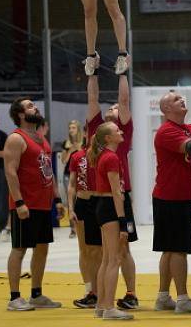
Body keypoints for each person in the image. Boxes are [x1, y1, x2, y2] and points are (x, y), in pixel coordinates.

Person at [151, 92, 191, 314]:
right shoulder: (166, 131)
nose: (182, 99)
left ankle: (162, 297)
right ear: (166, 109)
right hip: (170, 197)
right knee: (178, 250)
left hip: (179, 196)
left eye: (181, 98)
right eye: (176, 99)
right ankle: (183, 299)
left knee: (169, 250)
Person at [85, 68, 140, 309]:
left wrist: (123, 72)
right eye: (112, 108)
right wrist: (92, 72)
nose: (113, 108)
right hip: (106, 198)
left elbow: (124, 100)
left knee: (119, 252)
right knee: (105, 255)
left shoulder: (122, 135)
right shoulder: (100, 133)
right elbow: (92, 98)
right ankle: (101, 300)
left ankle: (129, 293)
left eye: (116, 109)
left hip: (116, 197)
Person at [2, 97, 63, 311]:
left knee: (42, 248)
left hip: (44, 204)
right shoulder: (15, 139)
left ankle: (36, 294)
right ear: (20, 114)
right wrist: (19, 202)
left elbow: (49, 171)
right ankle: (14, 297)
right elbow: (10, 172)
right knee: (19, 249)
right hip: (25, 204)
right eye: (29, 106)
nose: (35, 107)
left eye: (34, 105)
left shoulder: (40, 138)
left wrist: (57, 199)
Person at [89, 121, 134, 320]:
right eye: (117, 130)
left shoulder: (104, 156)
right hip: (110, 208)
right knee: (114, 260)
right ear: (108, 138)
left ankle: (101, 305)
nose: (121, 131)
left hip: (103, 207)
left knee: (107, 259)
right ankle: (109, 307)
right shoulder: (111, 158)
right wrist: (123, 221)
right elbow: (116, 192)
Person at [67, 126, 100, 309]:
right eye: (90, 131)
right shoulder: (77, 156)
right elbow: (72, 185)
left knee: (100, 251)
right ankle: (90, 291)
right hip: (83, 203)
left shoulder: (105, 155)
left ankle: (101, 290)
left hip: (100, 203)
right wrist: (70, 208)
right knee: (85, 249)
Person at [61, 120, 86, 236]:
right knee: (70, 199)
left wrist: (78, 148)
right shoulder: (66, 143)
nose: (71, 130)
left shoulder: (83, 142)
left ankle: (82, 224)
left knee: (80, 199)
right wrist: (71, 150)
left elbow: (85, 156)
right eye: (70, 128)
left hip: (81, 174)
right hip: (68, 174)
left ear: (78, 129)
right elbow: (64, 161)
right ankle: (72, 228)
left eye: (73, 128)